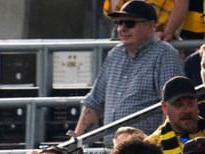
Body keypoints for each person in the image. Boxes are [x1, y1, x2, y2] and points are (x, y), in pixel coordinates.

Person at [74, 3, 185, 138]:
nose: (122, 29)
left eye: (130, 23)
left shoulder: (165, 54)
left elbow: (173, 105)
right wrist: (74, 144)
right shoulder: (115, 54)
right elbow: (94, 102)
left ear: (150, 25)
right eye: (119, 23)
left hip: (148, 150)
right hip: (114, 151)